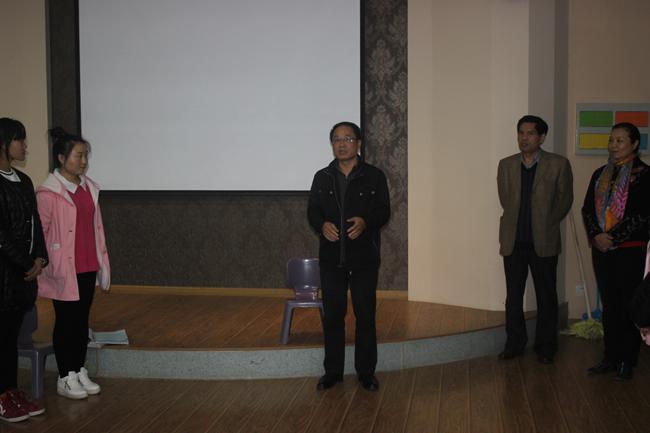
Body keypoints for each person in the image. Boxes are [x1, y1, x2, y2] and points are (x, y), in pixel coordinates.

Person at [307, 121, 390, 391]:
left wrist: (366, 222)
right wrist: (321, 225)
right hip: (332, 260)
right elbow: (313, 210)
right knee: (333, 316)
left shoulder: (374, 176)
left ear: (359, 143)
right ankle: (332, 372)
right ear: (332, 144)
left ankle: (366, 373)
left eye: (347, 138)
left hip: (364, 259)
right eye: (336, 139)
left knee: (365, 316)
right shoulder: (322, 177)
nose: (341, 144)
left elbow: (384, 211)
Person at [37, 128, 110, 399]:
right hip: (63, 267)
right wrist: (45, 263)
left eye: (85, 156)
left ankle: (78, 369)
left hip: (88, 264)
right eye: (78, 156)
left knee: (81, 321)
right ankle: (65, 376)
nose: (83, 161)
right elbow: (41, 233)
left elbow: (95, 227)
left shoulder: (89, 188)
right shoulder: (48, 192)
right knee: (66, 321)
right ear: (61, 158)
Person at [497, 115, 573, 364]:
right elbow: (505, 199)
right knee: (513, 296)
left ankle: (546, 346)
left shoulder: (558, 164)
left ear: (541, 137)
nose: (524, 138)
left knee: (546, 296)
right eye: (521, 132)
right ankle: (514, 343)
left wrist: (547, 221)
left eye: (530, 133)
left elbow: (564, 200)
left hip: (544, 241)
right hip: (513, 241)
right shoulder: (506, 165)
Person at [582, 122, 649, 381]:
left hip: (630, 250)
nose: (614, 145)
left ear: (634, 144)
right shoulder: (600, 174)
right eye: (611, 140)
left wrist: (613, 237)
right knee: (610, 304)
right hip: (602, 250)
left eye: (620, 140)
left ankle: (627, 360)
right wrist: (597, 236)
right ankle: (610, 357)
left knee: (628, 305)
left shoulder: (645, 175)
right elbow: (587, 210)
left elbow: (642, 215)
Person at [0, 118, 48, 423]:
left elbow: (35, 224)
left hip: (23, 277)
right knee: (1, 338)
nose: (25, 145)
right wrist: (25, 262)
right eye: (19, 139)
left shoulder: (24, 180)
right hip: (5, 274)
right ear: (3, 143)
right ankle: (3, 397)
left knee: (10, 338)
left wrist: (40, 258)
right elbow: (1, 234)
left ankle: (11, 390)